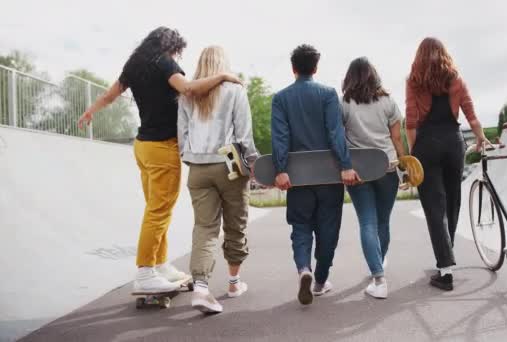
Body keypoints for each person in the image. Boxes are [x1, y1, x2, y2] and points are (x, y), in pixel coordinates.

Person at [77, 27, 242, 294]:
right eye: (177, 50)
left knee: (156, 209)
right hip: (162, 148)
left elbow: (110, 96)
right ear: (171, 46)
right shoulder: (164, 62)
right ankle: (145, 273)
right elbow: (188, 89)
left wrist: (90, 112)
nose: (177, 55)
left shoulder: (134, 63)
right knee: (159, 211)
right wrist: (222, 75)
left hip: (142, 147)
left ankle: (159, 264)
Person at [271, 44, 360, 305]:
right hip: (330, 177)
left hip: (298, 178)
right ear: (315, 67)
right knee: (328, 230)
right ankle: (320, 281)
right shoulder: (328, 94)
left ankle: (304, 270)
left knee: (300, 227)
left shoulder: (281, 99)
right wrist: (345, 165)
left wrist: (280, 169)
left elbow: (280, 137)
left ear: (293, 69)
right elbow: (335, 132)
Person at [405, 37, 490, 291]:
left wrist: (414, 155)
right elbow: (471, 116)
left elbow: (410, 122)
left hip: (426, 144)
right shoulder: (456, 79)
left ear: (419, 56)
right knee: (452, 201)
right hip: (454, 144)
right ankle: (447, 260)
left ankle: (445, 268)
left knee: (434, 206)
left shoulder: (414, 81)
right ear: (444, 54)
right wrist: (481, 138)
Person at [177, 46, 257, 314]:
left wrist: (189, 158)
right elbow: (244, 135)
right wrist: (254, 163)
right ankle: (234, 284)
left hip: (198, 167)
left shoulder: (187, 95)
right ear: (224, 66)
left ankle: (200, 287)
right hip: (229, 164)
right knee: (236, 224)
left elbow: (182, 135)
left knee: (205, 227)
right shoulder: (235, 90)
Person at [341, 57, 405, 299]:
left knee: (367, 222)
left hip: (358, 171)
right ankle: (378, 265)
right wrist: (405, 164)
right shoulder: (388, 102)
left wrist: (343, 166)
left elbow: (338, 139)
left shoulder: (344, 103)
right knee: (383, 222)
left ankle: (378, 278)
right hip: (387, 166)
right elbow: (397, 139)